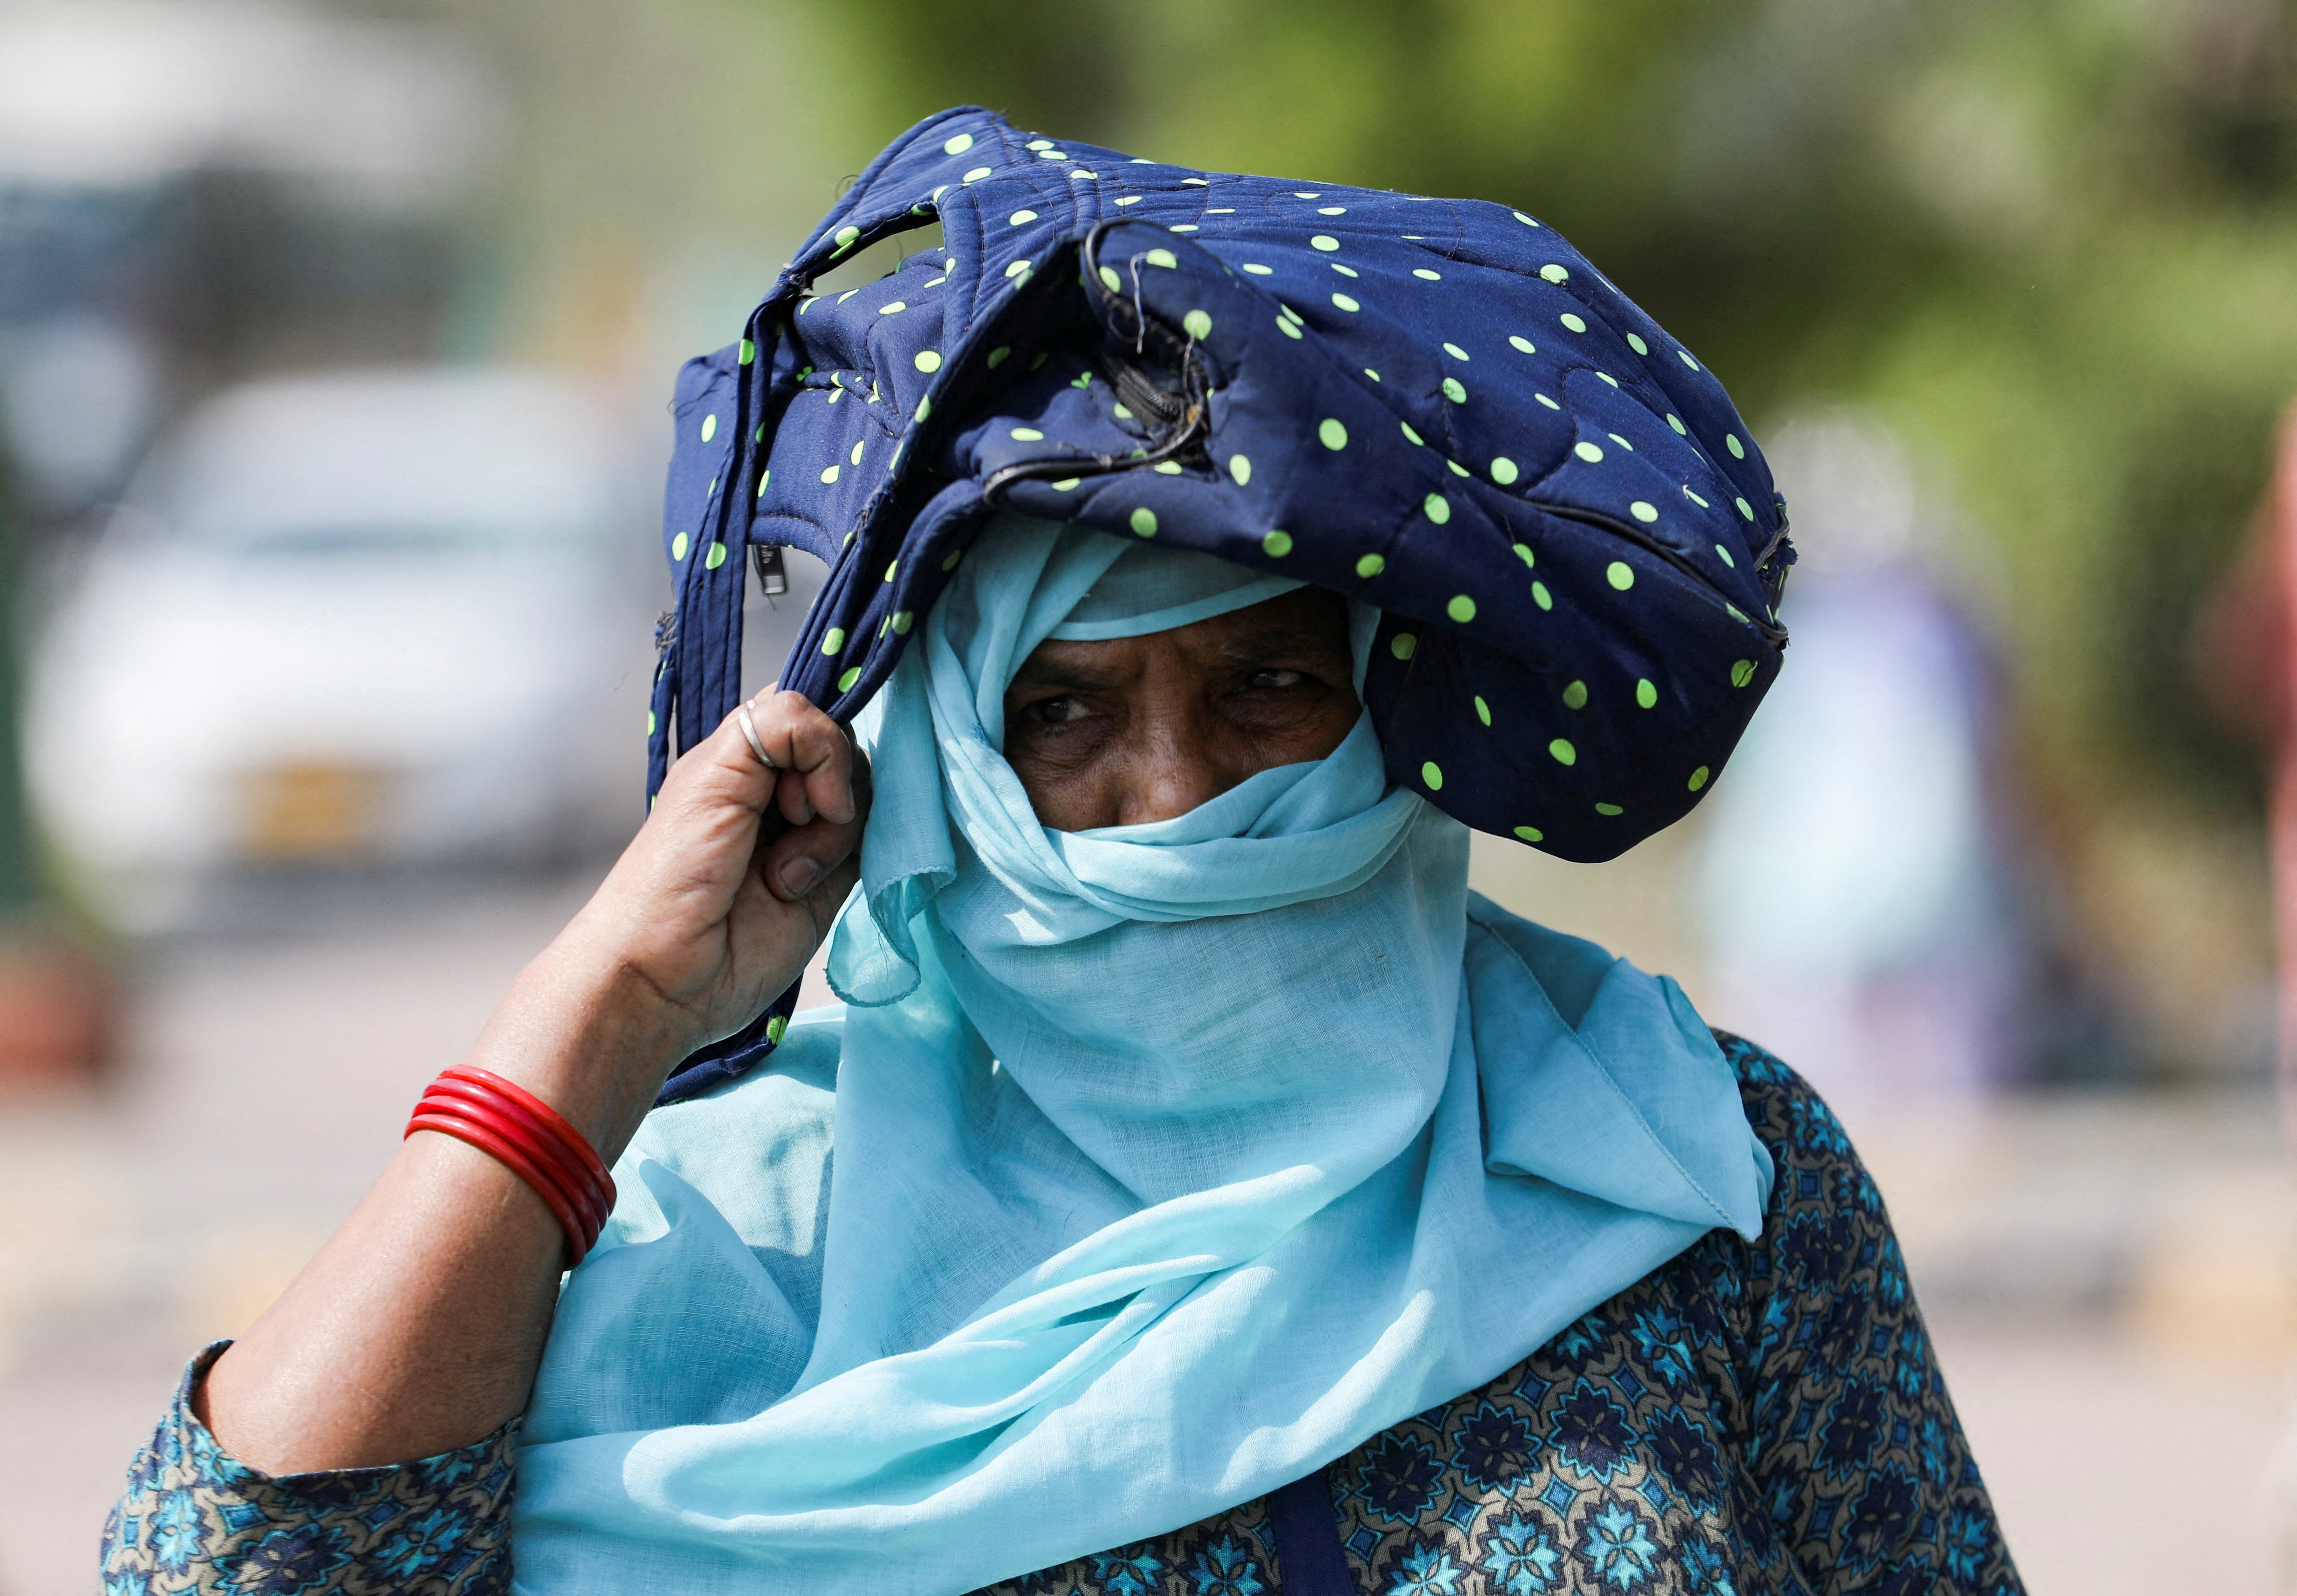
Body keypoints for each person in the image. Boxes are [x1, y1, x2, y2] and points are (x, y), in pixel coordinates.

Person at [102, 109, 2024, 1596]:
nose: (1175, 792)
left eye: (1267, 686)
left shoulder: (1680, 1167)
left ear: (1384, 710)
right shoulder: (732, 1241)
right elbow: (246, 1563)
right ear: (946, 760)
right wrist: (601, 1009)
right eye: (1063, 714)